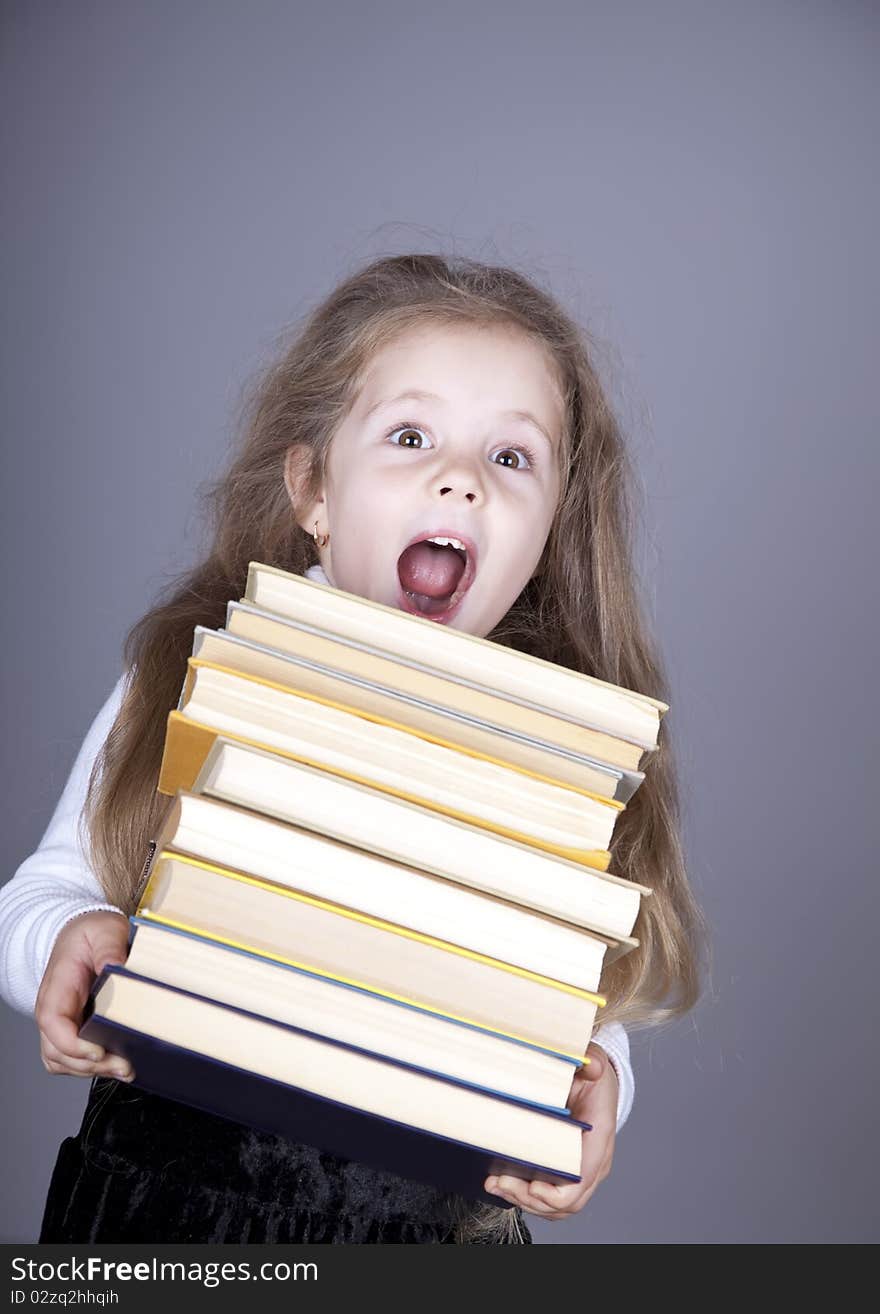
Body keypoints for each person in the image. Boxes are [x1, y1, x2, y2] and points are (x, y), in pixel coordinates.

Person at [0, 252, 706, 1243]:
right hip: (173, 1210)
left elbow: (582, 1005)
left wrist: (598, 1089)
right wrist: (65, 949)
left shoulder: (557, 755)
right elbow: (43, 894)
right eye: (409, 437)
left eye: (511, 458)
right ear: (313, 490)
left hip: (424, 1233)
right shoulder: (195, 670)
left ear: (549, 529)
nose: (459, 480)